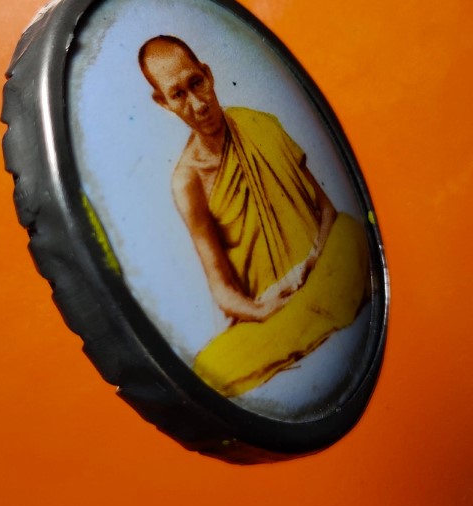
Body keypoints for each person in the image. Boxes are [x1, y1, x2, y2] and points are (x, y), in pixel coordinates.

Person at [138, 35, 369, 398]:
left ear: (208, 74)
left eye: (196, 83)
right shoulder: (188, 180)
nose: (197, 104)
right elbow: (222, 290)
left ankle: (307, 317)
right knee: (210, 369)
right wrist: (262, 311)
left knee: (352, 235)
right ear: (163, 102)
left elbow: (326, 209)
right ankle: (308, 319)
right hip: (271, 305)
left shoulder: (259, 123)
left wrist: (312, 263)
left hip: (322, 264)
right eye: (178, 95)